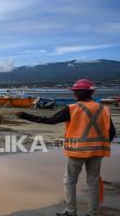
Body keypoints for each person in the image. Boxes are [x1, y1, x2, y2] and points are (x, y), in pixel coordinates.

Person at [16, 79, 116, 216]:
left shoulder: (73, 109)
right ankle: (92, 213)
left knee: (70, 181)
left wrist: (27, 116)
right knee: (93, 182)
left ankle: (70, 211)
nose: (74, 94)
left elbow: (51, 121)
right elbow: (111, 133)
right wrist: (100, 145)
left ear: (78, 93)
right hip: (97, 151)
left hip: (77, 152)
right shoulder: (103, 109)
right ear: (91, 92)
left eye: (75, 91)